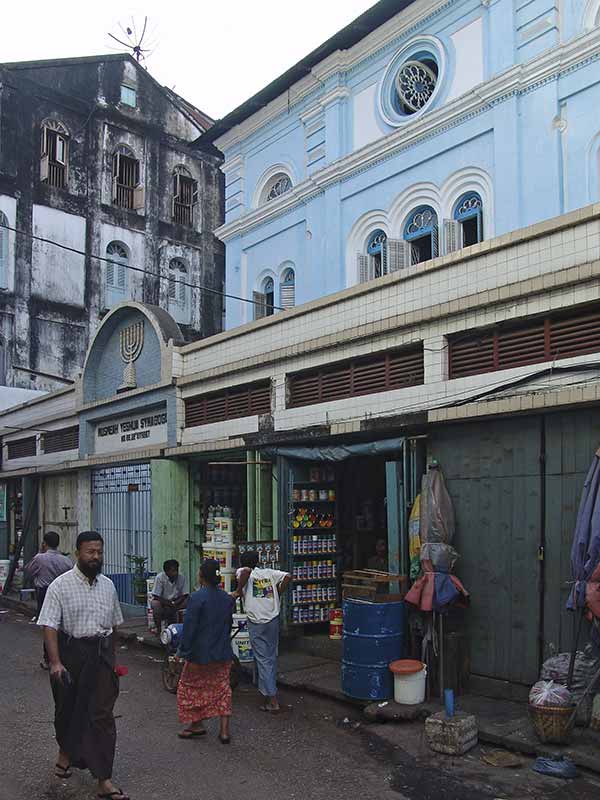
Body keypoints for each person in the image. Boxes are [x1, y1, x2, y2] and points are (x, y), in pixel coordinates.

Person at [37, 531, 128, 800]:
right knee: (68, 712)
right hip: (72, 655)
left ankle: (104, 778)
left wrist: (112, 660)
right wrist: (55, 663)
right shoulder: (60, 586)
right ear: (78, 553)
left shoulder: (108, 586)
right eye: (90, 552)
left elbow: (114, 626)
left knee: (102, 716)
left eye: (99, 552)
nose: (95, 557)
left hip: (101, 656)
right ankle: (66, 754)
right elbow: (49, 626)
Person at [176, 559, 234, 744]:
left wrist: (181, 651)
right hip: (222, 651)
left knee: (191, 688)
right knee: (222, 689)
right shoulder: (227, 598)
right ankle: (224, 731)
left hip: (200, 653)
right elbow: (228, 625)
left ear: (201, 576)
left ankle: (196, 724)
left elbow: (190, 628)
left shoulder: (196, 598)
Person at [234, 551, 291, 714]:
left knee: (263, 659)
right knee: (270, 657)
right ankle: (264, 692)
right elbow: (288, 576)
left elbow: (245, 571)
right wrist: (278, 592)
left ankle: (272, 700)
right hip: (272, 618)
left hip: (257, 620)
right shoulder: (268, 572)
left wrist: (238, 590)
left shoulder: (243, 571)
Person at [25, 531, 72, 670]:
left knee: (48, 625)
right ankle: (64, 657)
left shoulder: (40, 558)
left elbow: (29, 571)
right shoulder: (66, 560)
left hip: (45, 592)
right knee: (62, 625)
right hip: (63, 593)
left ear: (44, 543)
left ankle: (49, 659)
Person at [151, 559, 189, 635]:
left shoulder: (181, 577)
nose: (176, 573)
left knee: (189, 600)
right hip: (163, 602)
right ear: (166, 572)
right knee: (155, 604)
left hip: (177, 602)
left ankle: (182, 628)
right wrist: (169, 603)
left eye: (176, 570)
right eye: (173, 571)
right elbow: (156, 596)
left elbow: (185, 594)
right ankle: (159, 630)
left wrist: (175, 603)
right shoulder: (160, 578)